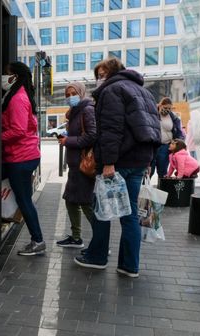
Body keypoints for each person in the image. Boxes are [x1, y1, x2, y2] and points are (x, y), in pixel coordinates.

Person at [74, 57, 160, 278]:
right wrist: (149, 161)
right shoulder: (144, 91)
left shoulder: (113, 91)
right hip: (139, 161)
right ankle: (129, 265)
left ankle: (97, 257)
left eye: (102, 74)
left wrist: (109, 163)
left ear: (112, 72)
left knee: (102, 208)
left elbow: (111, 130)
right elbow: (153, 130)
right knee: (129, 212)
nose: (99, 79)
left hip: (118, 161)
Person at [1, 61, 44, 256]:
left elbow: (18, 130)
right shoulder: (20, 95)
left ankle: (38, 240)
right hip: (25, 155)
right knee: (25, 199)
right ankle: (37, 239)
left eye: (6, 73)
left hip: (20, 157)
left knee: (24, 200)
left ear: (15, 77)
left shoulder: (17, 98)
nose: (3, 77)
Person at [57, 82, 96, 248]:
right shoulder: (74, 112)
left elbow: (93, 135)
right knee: (70, 200)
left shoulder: (87, 110)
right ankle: (76, 237)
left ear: (81, 93)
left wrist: (69, 141)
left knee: (86, 203)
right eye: (67, 94)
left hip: (83, 164)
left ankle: (101, 242)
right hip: (75, 164)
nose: (69, 97)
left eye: (73, 93)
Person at [151, 97, 184, 179]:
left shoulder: (173, 117)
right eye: (165, 108)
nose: (167, 110)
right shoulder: (152, 114)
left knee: (162, 172)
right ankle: (145, 190)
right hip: (152, 147)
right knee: (149, 171)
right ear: (160, 105)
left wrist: (178, 142)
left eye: (169, 108)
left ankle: (162, 190)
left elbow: (179, 132)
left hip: (165, 146)